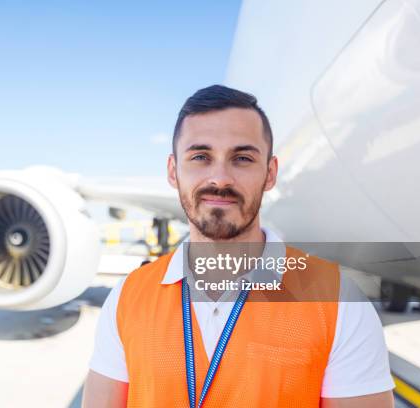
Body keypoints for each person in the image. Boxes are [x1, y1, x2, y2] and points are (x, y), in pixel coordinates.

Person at [82, 85, 395, 407]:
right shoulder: (128, 297)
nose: (220, 178)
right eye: (201, 157)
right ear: (174, 172)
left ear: (269, 173)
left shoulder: (337, 300)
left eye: (242, 158)